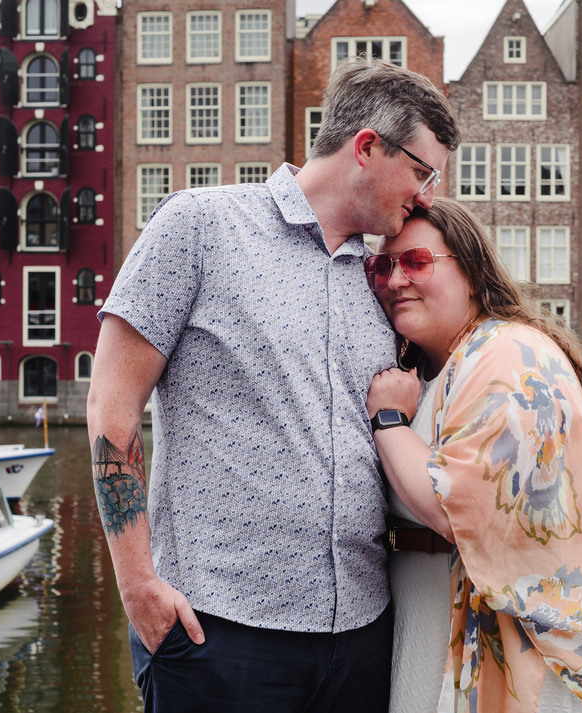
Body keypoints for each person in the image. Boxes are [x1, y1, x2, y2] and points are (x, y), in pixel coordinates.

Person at [86, 58, 460, 712]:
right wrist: (138, 583)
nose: (428, 194)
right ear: (367, 147)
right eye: (422, 171)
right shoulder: (200, 226)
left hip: (362, 635)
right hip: (221, 635)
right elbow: (112, 405)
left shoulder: (383, 281)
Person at [365, 198, 582, 713]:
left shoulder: (509, 357)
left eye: (416, 261)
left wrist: (388, 421)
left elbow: (453, 508)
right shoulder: (430, 368)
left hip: (536, 654)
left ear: (471, 273)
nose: (395, 279)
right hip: (430, 620)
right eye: (382, 265)